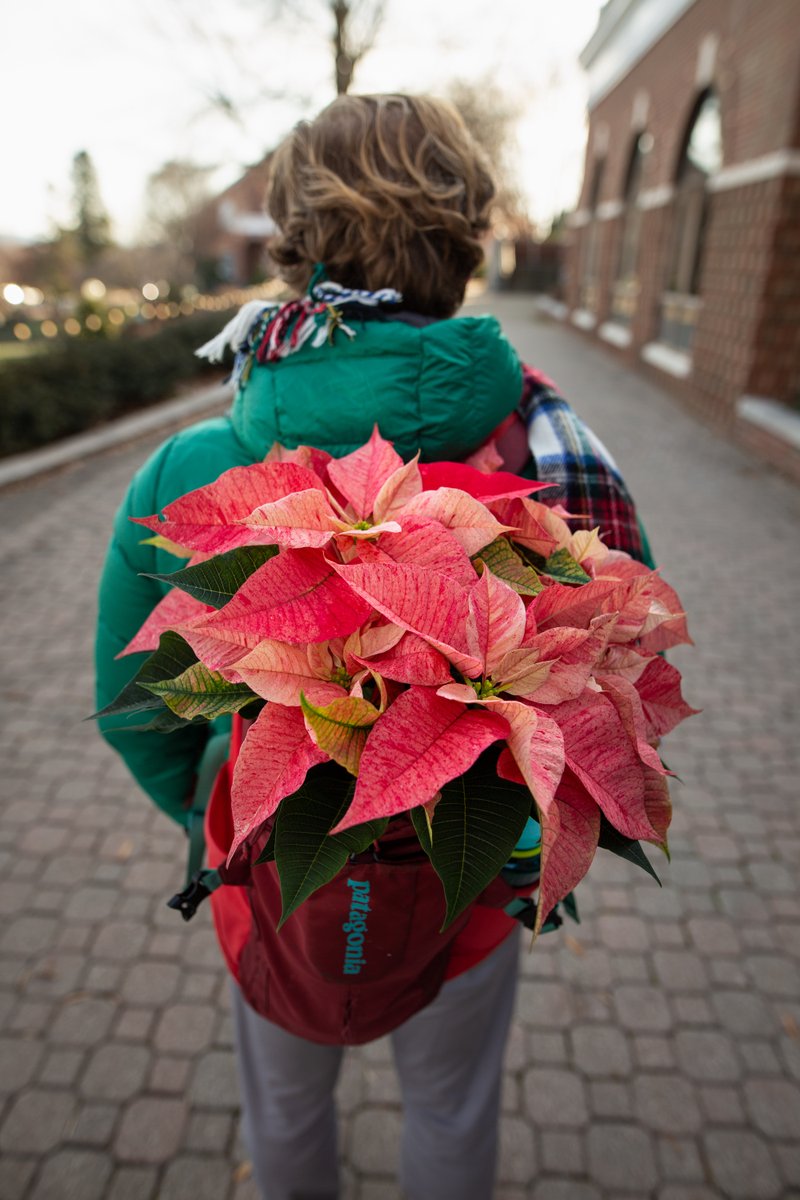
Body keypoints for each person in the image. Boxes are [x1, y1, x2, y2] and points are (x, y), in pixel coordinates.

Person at [96, 93, 650, 1200]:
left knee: (286, 1107)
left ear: (300, 247)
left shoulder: (187, 472)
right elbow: (611, 682)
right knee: (451, 1112)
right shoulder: (544, 451)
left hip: (270, 876)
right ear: (462, 245)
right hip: (476, 882)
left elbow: (134, 711)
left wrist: (233, 806)